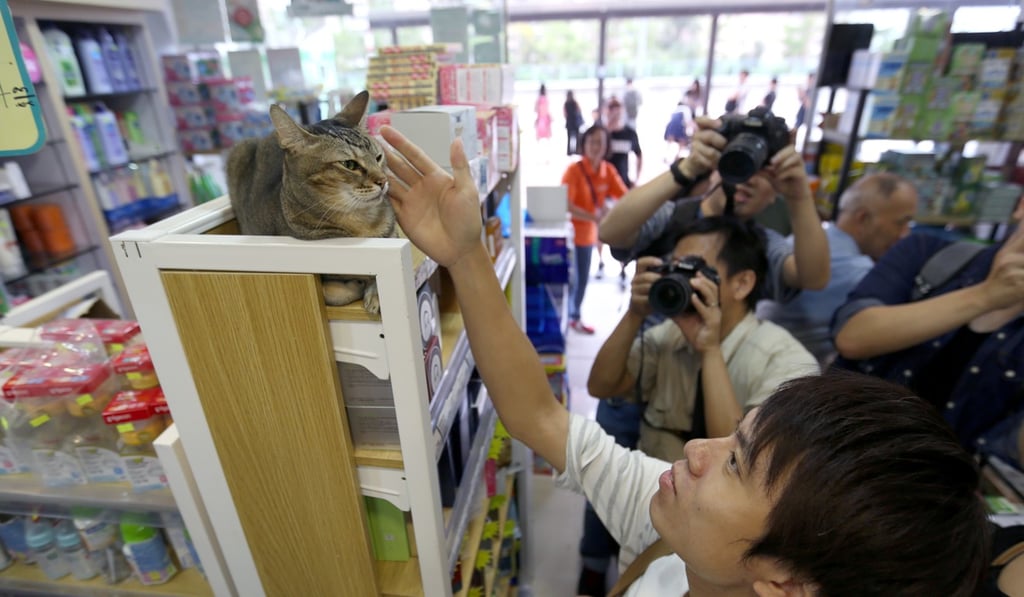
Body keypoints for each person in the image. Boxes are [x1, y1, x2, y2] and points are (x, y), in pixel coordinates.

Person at [379, 123, 991, 597]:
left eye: (736, 463)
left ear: (784, 584)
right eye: (733, 442)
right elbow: (540, 416)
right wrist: (467, 257)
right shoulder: (686, 538)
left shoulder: (777, 367)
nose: (697, 450)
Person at [590, 216, 818, 461]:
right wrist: (634, 314)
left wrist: (710, 351)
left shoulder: (786, 361)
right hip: (656, 480)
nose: (681, 280)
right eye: (675, 268)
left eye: (694, 269)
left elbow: (738, 460)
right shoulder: (670, 335)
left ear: (742, 283)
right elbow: (601, 386)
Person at [832, 195, 1024, 467]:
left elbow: (1010, 449)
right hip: (835, 446)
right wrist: (987, 295)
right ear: (1020, 206)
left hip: (929, 482)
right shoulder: (928, 253)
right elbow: (852, 336)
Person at [600, 116, 830, 307]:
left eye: (763, 171)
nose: (748, 178)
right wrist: (687, 167)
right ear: (713, 170)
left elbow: (813, 278)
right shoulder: (672, 217)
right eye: (737, 162)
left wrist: (799, 196)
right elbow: (609, 231)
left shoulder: (761, 245)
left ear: (774, 197)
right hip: (651, 344)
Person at [757, 172, 919, 365]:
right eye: (901, 222)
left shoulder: (802, 241)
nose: (905, 234)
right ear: (863, 218)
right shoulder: (857, 272)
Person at [562, 125, 628, 333]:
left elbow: (625, 197)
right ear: (584, 144)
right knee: (574, 279)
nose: (595, 146)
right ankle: (571, 317)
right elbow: (565, 204)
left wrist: (611, 208)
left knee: (581, 279)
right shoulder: (573, 170)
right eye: (592, 141)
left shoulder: (608, 170)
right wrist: (595, 216)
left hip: (589, 236)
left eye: (600, 142)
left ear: (607, 146)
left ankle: (573, 317)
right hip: (570, 235)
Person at [564, 90, 585, 155]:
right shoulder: (575, 103)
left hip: (569, 123)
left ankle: (569, 151)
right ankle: (577, 150)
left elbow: (565, 114)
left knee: (569, 138)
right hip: (575, 123)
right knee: (577, 138)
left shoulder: (566, 104)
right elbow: (579, 111)